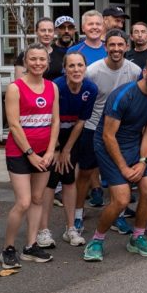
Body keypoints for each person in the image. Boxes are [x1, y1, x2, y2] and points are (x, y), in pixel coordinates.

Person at [83, 59, 147, 262]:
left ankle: (137, 238)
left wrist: (143, 161)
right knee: (121, 199)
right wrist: (123, 168)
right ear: (145, 72)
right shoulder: (123, 95)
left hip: (134, 145)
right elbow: (108, 136)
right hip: (108, 146)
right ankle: (96, 241)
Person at [74, 30, 142, 231]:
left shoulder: (135, 71)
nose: (116, 49)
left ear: (127, 47)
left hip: (121, 131)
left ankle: (118, 215)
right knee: (85, 172)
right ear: (105, 47)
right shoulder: (93, 71)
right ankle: (77, 213)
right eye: (112, 45)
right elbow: (83, 100)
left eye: (120, 45)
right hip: (93, 126)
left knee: (120, 174)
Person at [0, 44, 60, 269]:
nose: (37, 63)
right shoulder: (15, 88)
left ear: (48, 62)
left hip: (44, 153)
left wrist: (51, 151)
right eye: (33, 59)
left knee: (37, 199)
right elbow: (14, 125)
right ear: (25, 62)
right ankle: (8, 248)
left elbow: (55, 121)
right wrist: (31, 154)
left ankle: (31, 245)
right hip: (20, 152)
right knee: (23, 202)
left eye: (42, 59)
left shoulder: (52, 87)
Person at [52, 52, 97, 248]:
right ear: (65, 69)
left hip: (72, 136)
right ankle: (41, 230)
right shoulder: (56, 87)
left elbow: (80, 122)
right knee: (49, 184)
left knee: (69, 179)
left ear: (85, 68)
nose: (76, 69)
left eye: (80, 65)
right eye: (71, 66)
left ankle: (70, 228)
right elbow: (50, 121)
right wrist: (56, 149)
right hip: (51, 137)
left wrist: (66, 150)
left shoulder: (90, 89)